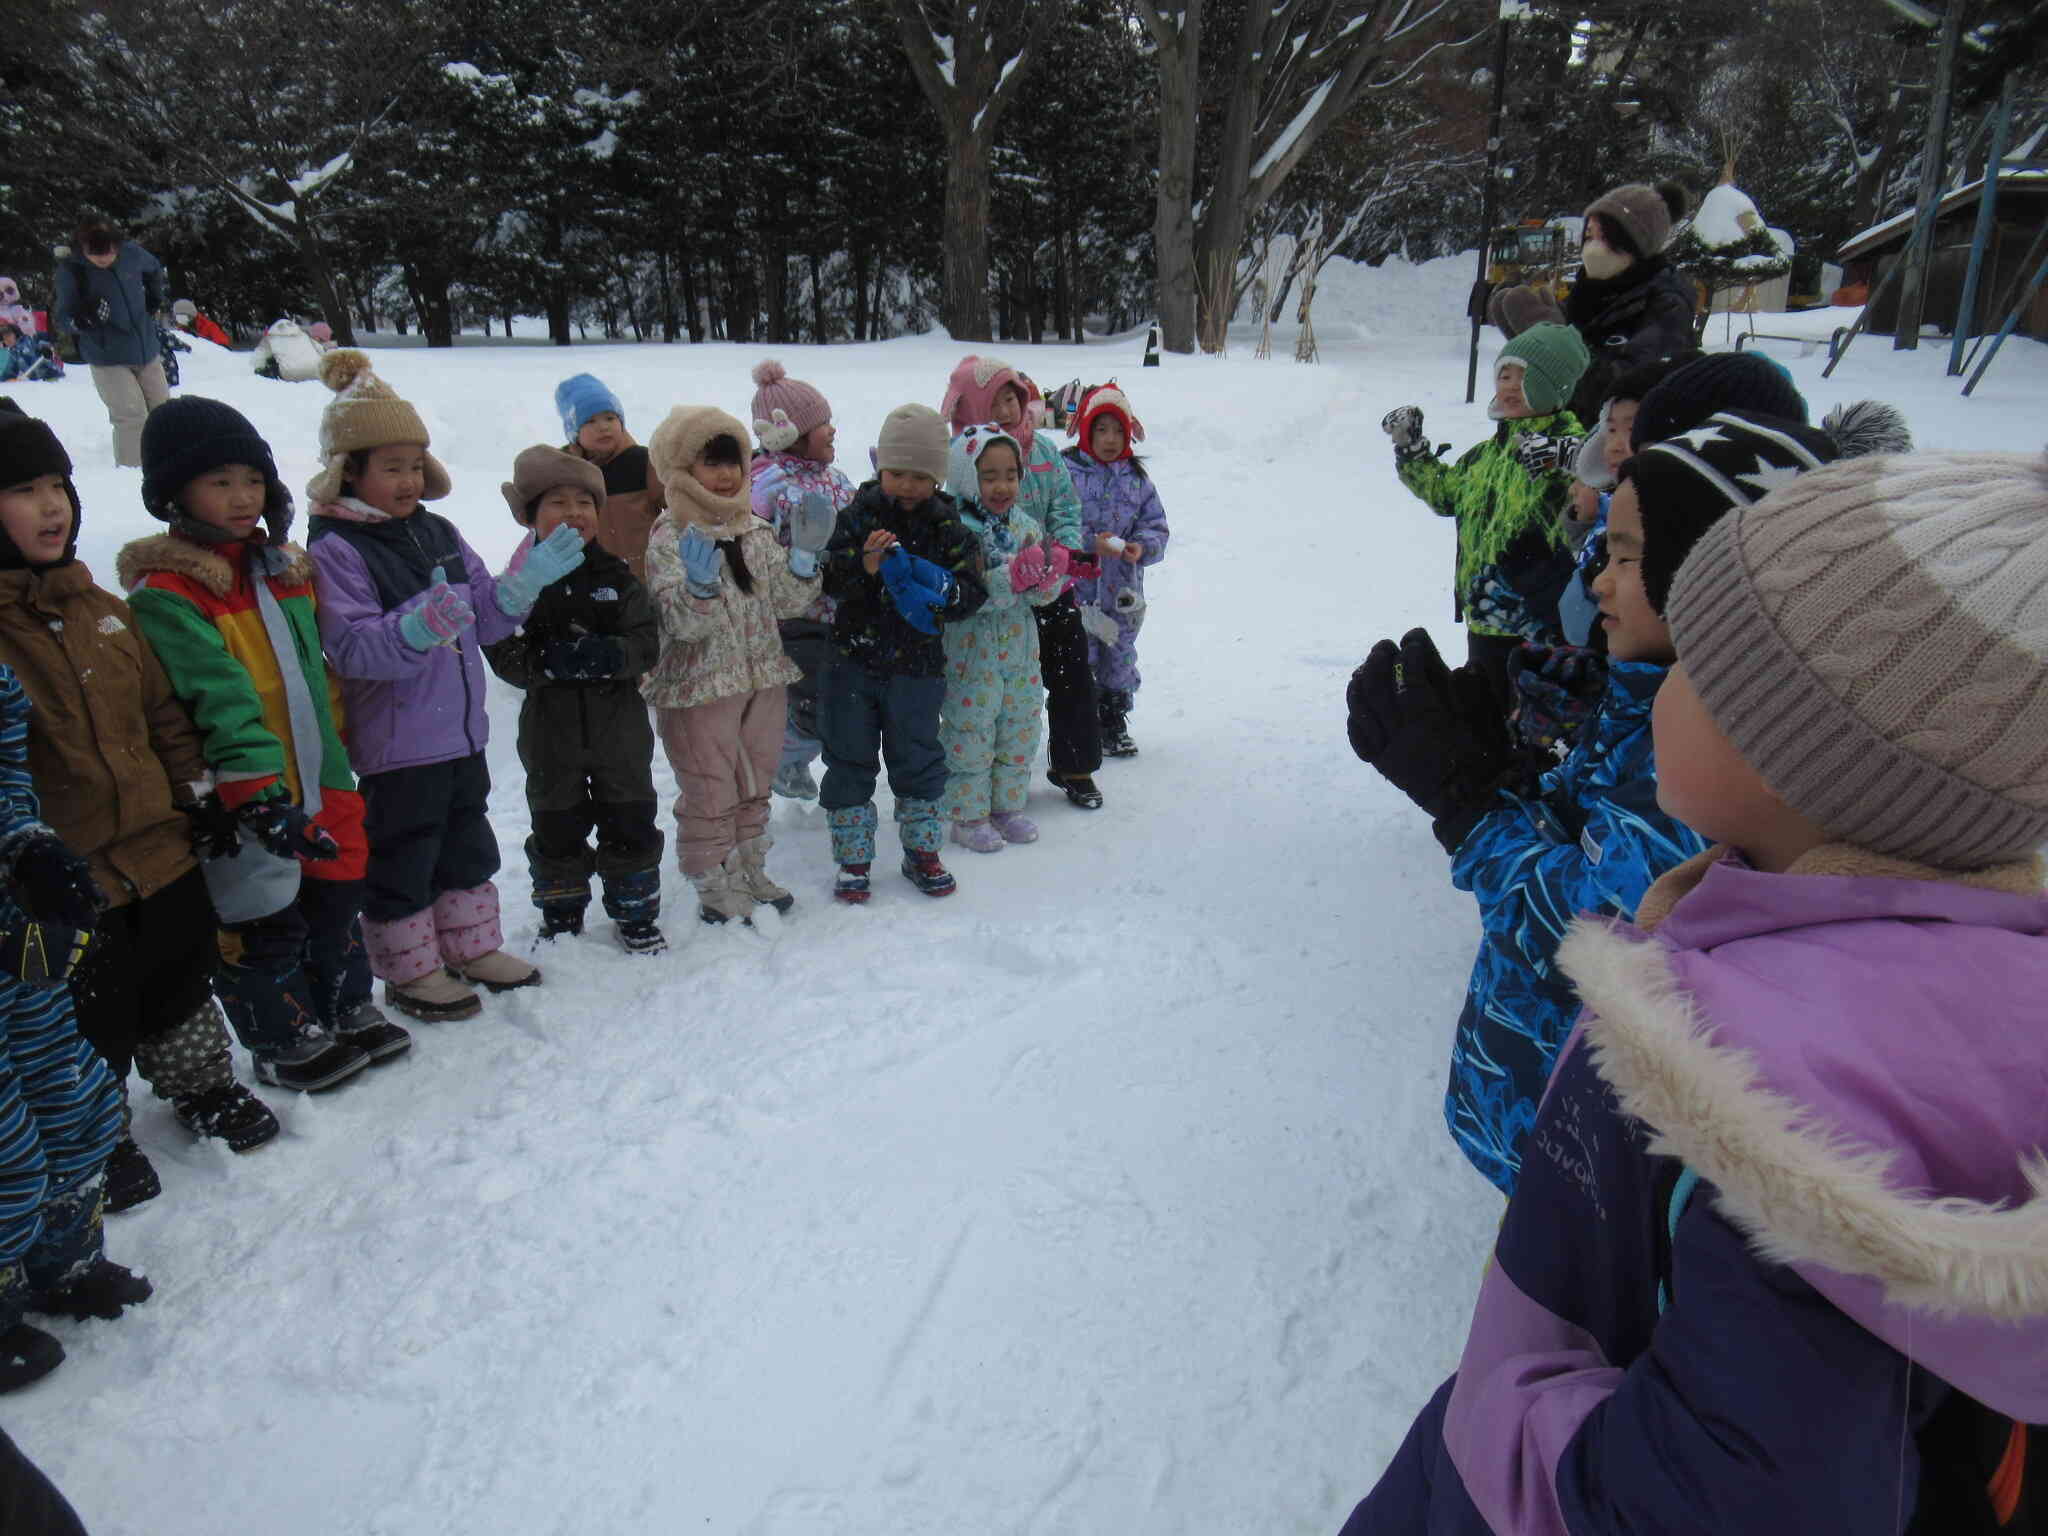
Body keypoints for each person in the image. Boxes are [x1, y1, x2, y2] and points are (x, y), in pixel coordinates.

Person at [1338, 448, 2048, 1536]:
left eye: (1691, 670)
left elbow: (1726, 1492)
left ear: (1800, 756)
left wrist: (1496, 1415)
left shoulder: (1793, 1122)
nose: (1647, 670)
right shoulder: (1864, 953)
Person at [1350, 410, 1844, 1196]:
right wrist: (1508, 781)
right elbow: (1591, 834)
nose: (1596, 580)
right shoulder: (1657, 696)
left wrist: (1468, 808)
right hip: (1556, 1114)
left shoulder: (1726, 751)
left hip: (1603, 1166)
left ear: (1711, 584)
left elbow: (1600, 926)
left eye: (1623, 556)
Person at [0, 402, 277, 1211]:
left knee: (179, 981)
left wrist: (198, 795)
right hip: (68, 875)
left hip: (158, 851)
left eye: (59, 485)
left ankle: (202, 1087)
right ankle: (101, 1127)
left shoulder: (104, 613)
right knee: (90, 1010)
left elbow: (162, 716)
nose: (53, 505)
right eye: (23, 489)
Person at [119, 398, 411, 1093]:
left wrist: (339, 752)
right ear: (175, 493)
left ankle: (342, 1005)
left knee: (338, 899)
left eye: (252, 480)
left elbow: (319, 674)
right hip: (246, 791)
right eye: (219, 482)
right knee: (264, 918)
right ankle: (282, 1035)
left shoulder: (285, 572)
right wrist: (253, 793)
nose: (242, 497)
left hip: (321, 772)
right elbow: (218, 699)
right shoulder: (168, 593)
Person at [304, 351, 585, 1021]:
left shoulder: (439, 530)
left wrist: (521, 585)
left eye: (413, 465)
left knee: (466, 841)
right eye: (389, 467)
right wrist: (419, 625)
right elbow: (351, 646)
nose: (406, 480)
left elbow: (485, 614)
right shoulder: (336, 548)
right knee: (404, 857)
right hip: (395, 742)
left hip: (458, 732)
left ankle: (470, 947)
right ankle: (410, 971)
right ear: (351, 471)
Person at [0, 659, 148, 1393]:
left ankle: (66, 1262)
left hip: (17, 947)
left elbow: (7, 776)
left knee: (72, 1101)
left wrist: (30, 848)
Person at [641, 408, 826, 924]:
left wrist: (804, 561)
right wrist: (698, 590)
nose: (725, 475)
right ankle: (713, 878)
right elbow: (681, 625)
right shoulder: (671, 536)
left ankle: (750, 868)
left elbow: (787, 603)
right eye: (711, 463)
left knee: (754, 781)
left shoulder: (756, 531)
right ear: (681, 469)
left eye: (734, 462)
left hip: (761, 677)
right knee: (710, 787)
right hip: (699, 689)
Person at [483, 446, 665, 953]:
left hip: (619, 731)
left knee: (630, 816)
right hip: (550, 732)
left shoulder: (618, 577)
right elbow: (499, 644)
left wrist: (607, 653)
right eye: (558, 503)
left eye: (584, 502)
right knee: (555, 820)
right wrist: (545, 662)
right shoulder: (519, 584)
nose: (574, 513)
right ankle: (561, 911)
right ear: (531, 517)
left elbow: (647, 642)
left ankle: (635, 910)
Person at [820, 405, 989, 902]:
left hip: (916, 668)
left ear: (937, 477)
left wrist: (943, 590)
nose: (908, 486)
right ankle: (853, 858)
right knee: (848, 759)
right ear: (880, 467)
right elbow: (830, 579)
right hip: (852, 661)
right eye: (897, 473)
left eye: (921, 476)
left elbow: (971, 591)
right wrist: (864, 567)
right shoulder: (855, 518)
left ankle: (922, 851)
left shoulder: (949, 528)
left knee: (918, 758)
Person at [1382, 322, 1591, 704]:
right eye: (1504, 374)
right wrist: (1411, 450)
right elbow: (1445, 494)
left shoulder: (1574, 448)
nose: (1509, 385)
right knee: (1488, 721)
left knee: (1540, 728)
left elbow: (1610, 472)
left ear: (1554, 384)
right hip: (1487, 618)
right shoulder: (1485, 456)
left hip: (1544, 620)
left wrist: (1566, 455)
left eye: (1524, 377)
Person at [941, 355, 1103, 810]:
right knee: (985, 694)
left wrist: (1062, 555)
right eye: (994, 402)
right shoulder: (963, 458)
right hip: (988, 599)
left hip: (1047, 580)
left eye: (1013, 398)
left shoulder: (1044, 451)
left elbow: (1067, 509)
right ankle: (975, 780)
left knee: (1069, 670)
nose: (1008, 411)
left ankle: (1075, 765)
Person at [940, 423, 1067, 852]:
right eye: (989, 475)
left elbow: (1041, 597)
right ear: (964, 475)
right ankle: (968, 814)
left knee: (1020, 728)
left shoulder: (1026, 526)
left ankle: (1007, 806)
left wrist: (1051, 576)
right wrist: (1007, 578)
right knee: (971, 734)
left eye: (1010, 474)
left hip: (1020, 653)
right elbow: (961, 594)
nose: (1002, 485)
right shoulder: (955, 529)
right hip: (970, 655)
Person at [748, 359, 855, 803]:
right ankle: (785, 755)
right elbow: (749, 548)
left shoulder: (836, 478)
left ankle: (799, 749)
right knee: (814, 703)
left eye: (830, 420)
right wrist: (756, 511)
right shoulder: (767, 481)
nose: (831, 430)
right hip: (796, 616)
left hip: (840, 611)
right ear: (790, 433)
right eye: (820, 424)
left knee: (840, 698)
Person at [1062, 383, 1169, 759]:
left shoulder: (1136, 478)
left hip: (1123, 592)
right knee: (1083, 655)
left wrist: (1141, 546)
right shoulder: (1067, 471)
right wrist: (1090, 542)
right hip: (1079, 589)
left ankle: (1114, 719)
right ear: (1087, 429)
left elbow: (1155, 525)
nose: (1110, 439)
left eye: (1118, 430)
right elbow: (1053, 525)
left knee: (1119, 652)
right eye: (1101, 429)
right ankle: (1084, 721)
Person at [1563, 181, 1699, 424]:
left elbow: (1621, 391)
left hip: (1619, 446)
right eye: (1588, 236)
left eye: (1604, 238)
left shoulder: (1666, 305)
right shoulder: (1586, 295)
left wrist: (1557, 351)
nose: (1592, 248)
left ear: (1635, 244)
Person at [52, 218, 168, 467]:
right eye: (96, 255)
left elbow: (155, 269)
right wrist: (83, 320)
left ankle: (168, 461)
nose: (103, 260)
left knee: (162, 410)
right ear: (83, 249)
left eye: (109, 253)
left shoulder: (132, 254)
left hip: (145, 347)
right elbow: (62, 318)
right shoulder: (73, 270)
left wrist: (154, 298)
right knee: (131, 415)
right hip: (107, 355)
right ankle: (133, 472)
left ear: (118, 246)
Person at [556, 373, 665, 584]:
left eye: (610, 418)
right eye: (590, 421)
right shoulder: (566, 471)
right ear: (574, 432)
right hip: (591, 579)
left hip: (646, 574)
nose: (603, 427)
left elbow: (675, 503)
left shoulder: (642, 460)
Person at [250, 318, 324, 383]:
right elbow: (321, 350)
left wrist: (258, 369)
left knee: (270, 361)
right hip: (315, 372)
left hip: (289, 374)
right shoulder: (303, 335)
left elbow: (259, 357)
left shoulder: (271, 337)